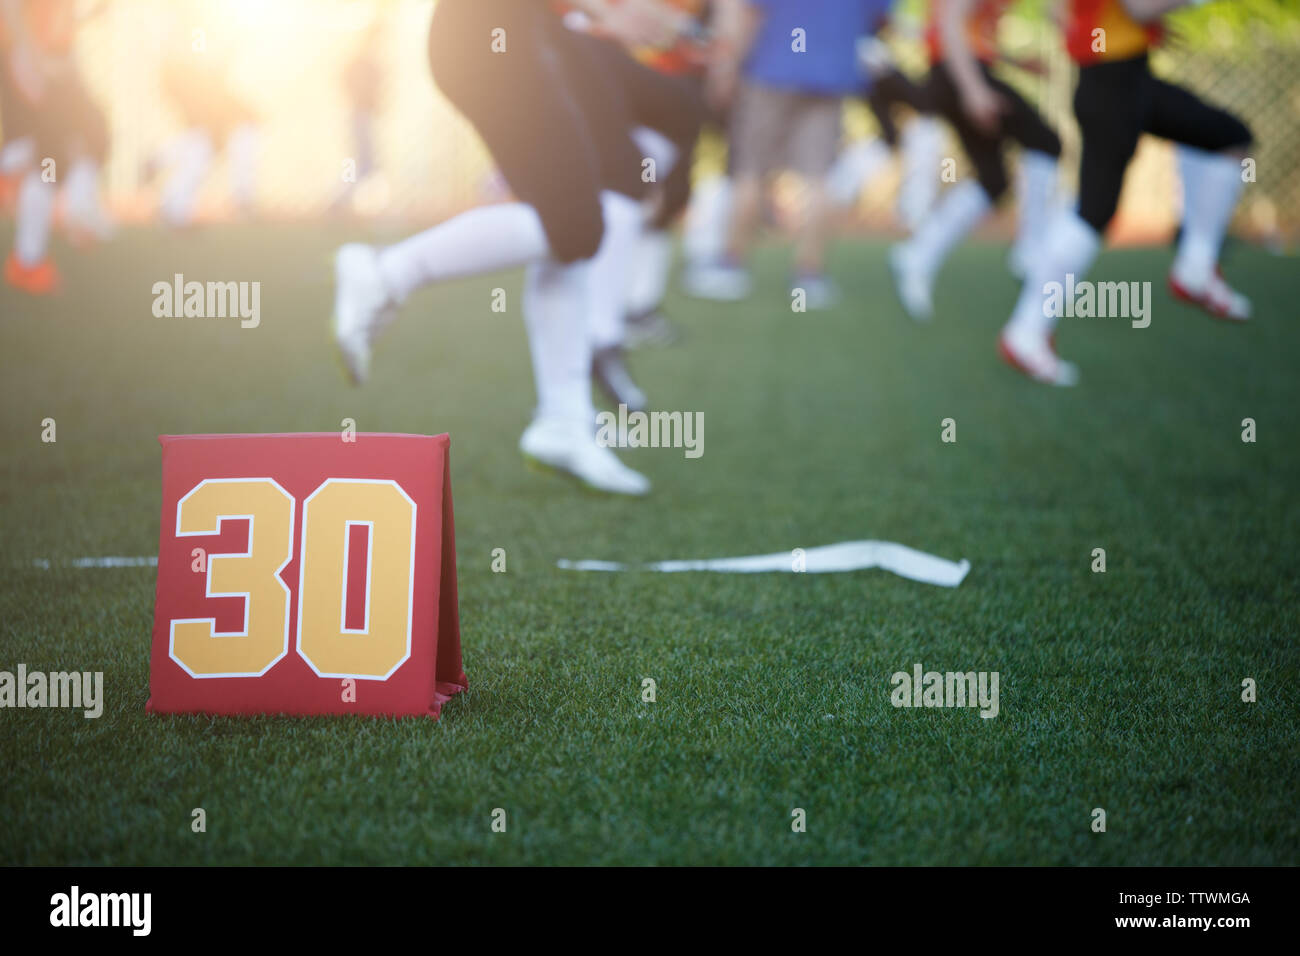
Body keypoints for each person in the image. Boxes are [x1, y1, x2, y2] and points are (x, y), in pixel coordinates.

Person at [331, 0, 701, 496]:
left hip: (522, 33)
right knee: (575, 225)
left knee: (580, 222)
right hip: (490, 30)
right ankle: (386, 272)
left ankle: (564, 423)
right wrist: (611, 9)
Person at [999, 0, 1252, 385]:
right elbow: (1139, 6)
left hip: (1122, 81)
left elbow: (1060, 12)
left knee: (1227, 139)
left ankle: (1197, 265)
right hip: (1114, 87)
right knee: (1093, 212)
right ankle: (1027, 330)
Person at [684, 0, 891, 309]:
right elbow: (879, 17)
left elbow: (748, 16)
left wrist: (726, 69)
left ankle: (731, 265)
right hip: (832, 74)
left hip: (769, 70)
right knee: (819, 177)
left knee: (749, 171)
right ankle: (809, 275)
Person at [889, 0, 1063, 321]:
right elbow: (949, 24)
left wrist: (1014, 62)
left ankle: (919, 254)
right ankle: (1031, 248)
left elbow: (973, 34)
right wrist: (973, 90)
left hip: (959, 70)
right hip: (958, 72)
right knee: (1046, 142)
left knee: (994, 181)